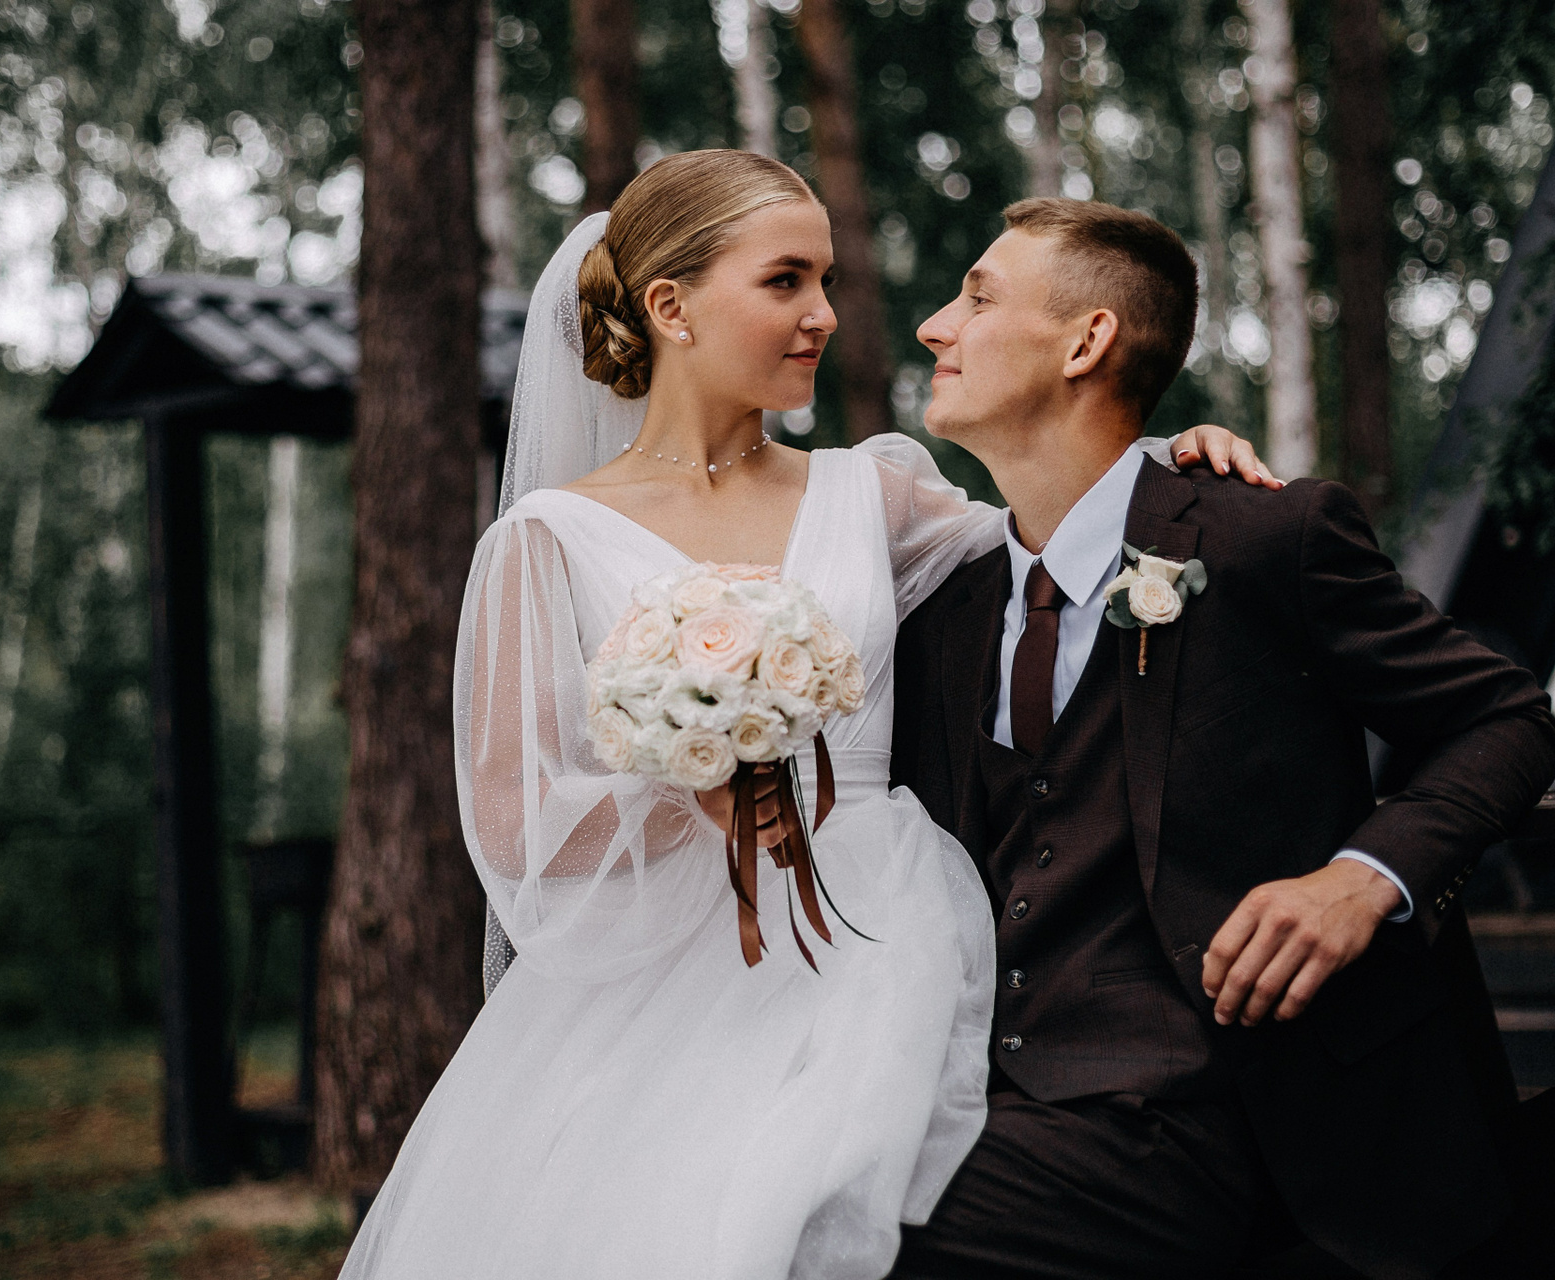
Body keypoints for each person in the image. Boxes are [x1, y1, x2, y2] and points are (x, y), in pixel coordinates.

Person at [336, 151, 1270, 1280]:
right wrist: (692, 781)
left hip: (881, 934)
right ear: (671, 307)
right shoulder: (546, 538)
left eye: (826, 281)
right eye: (786, 281)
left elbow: (1052, 535)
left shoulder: (870, 490)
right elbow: (518, 827)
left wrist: (1169, 467)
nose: (824, 313)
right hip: (658, 986)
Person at [886, 197, 1555, 1280]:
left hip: (1220, 1115)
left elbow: (1506, 718)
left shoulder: (1264, 538)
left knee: (840, 1234)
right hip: (987, 1099)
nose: (934, 325)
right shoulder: (944, 609)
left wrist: (1363, 878)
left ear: (1087, 341)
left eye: (977, 297)